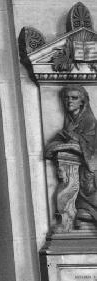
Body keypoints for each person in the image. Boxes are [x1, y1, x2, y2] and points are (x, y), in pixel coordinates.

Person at [47, 85, 97, 227]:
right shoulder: (70, 124)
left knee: (89, 177)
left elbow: (91, 148)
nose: (69, 101)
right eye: (67, 98)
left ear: (83, 102)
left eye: (74, 98)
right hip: (75, 168)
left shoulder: (90, 123)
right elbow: (52, 146)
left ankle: (88, 210)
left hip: (89, 169)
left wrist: (70, 143)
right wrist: (62, 145)